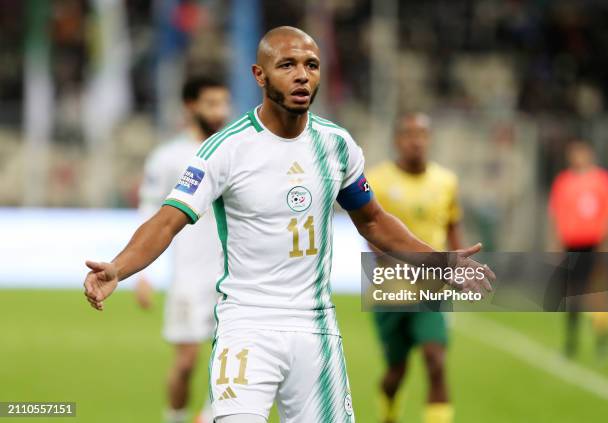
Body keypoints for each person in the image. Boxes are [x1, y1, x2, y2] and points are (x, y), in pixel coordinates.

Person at [83, 26, 493, 423]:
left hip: (314, 326)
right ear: (259, 75)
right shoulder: (226, 149)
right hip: (246, 325)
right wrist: (120, 267)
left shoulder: (336, 145)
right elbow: (168, 221)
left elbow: (373, 220)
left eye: (311, 65)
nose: (302, 74)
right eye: (287, 65)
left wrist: (440, 262)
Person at [135, 76, 231, 423]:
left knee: (230, 363)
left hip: (231, 276)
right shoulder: (168, 157)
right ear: (191, 106)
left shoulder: (234, 150)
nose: (220, 112)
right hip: (189, 276)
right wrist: (142, 273)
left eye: (223, 103)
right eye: (211, 103)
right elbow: (150, 213)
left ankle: (207, 416)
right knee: (186, 362)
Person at [367, 113, 461, 423]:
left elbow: (452, 226)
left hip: (431, 288)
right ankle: (389, 411)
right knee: (396, 371)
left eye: (422, 133)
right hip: (390, 287)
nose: (416, 140)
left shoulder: (446, 181)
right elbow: (372, 233)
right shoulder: (377, 180)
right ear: (397, 140)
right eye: (409, 134)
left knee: (436, 362)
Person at [548, 140, 608, 358]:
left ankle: (602, 339)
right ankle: (571, 341)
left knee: (597, 293)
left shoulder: (602, 180)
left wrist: (605, 242)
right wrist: (556, 244)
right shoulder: (563, 181)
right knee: (572, 293)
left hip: (594, 243)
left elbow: (607, 213)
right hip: (571, 244)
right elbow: (557, 214)